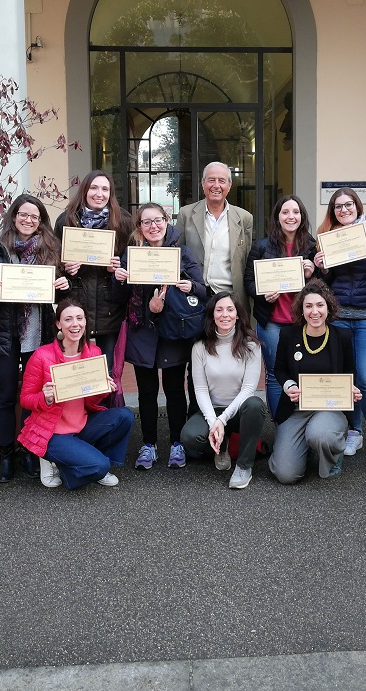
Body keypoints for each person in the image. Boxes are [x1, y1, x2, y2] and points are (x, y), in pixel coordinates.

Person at [0, 192, 70, 483]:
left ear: (41, 221)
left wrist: (63, 285)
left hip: (36, 334)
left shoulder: (49, 250)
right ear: (13, 216)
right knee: (6, 397)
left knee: (34, 398)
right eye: (23, 215)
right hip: (5, 335)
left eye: (35, 216)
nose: (29, 220)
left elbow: (57, 295)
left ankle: (30, 450)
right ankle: (6, 455)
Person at [114, 202, 208, 470]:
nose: (153, 226)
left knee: (175, 389)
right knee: (146, 391)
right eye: (147, 222)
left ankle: (177, 442)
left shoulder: (181, 251)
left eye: (158, 220)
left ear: (167, 220)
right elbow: (118, 297)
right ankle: (149, 444)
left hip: (173, 331)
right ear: (139, 227)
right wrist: (120, 278)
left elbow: (202, 290)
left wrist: (190, 286)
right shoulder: (131, 254)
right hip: (142, 329)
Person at [315, 187, 366, 463]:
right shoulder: (329, 238)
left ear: (358, 205)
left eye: (348, 204)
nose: (344, 210)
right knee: (346, 379)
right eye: (338, 207)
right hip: (339, 318)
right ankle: (354, 432)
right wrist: (322, 269)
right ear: (332, 211)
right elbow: (326, 285)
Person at [18, 298, 134, 489]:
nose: (75, 324)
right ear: (58, 324)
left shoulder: (94, 352)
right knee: (100, 466)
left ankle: (90, 463)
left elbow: (92, 399)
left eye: (79, 318)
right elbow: (25, 399)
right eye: (68, 319)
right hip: (53, 432)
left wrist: (103, 389)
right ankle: (58, 462)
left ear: (85, 321)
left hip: (81, 425)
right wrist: (44, 398)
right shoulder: (41, 355)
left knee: (124, 416)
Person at [269, 280, 362, 484]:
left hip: (329, 407)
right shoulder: (288, 334)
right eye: (308, 306)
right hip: (296, 408)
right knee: (286, 475)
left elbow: (349, 371)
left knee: (320, 435)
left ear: (328, 308)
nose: (315, 312)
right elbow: (280, 369)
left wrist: (351, 388)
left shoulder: (342, 336)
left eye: (320, 305)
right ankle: (306, 448)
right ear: (301, 310)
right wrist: (289, 386)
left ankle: (331, 456)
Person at [179, 293, 267, 489]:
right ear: (212, 315)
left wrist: (222, 420)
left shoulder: (251, 345)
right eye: (219, 310)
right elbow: (200, 390)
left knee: (255, 405)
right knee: (189, 437)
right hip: (213, 409)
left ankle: (244, 466)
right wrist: (213, 421)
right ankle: (222, 444)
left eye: (230, 309)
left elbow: (248, 389)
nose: (224, 314)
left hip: (238, 412)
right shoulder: (200, 347)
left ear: (237, 315)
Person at [54, 170, 134, 374]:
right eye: (94, 188)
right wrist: (67, 269)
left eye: (105, 189)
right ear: (84, 190)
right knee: (75, 368)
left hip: (110, 306)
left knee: (106, 370)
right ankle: (77, 408)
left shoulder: (123, 221)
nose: (99, 194)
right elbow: (55, 261)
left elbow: (131, 262)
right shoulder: (66, 220)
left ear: (111, 193)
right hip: (77, 304)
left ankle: (105, 407)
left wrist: (116, 269)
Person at [244, 195, 317, 416]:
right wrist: (262, 293)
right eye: (285, 212)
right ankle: (280, 426)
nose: (290, 217)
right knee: (276, 375)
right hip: (272, 322)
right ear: (277, 216)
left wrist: (311, 274)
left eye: (295, 212)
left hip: (303, 323)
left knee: (304, 372)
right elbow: (248, 282)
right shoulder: (261, 246)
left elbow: (323, 288)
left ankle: (303, 423)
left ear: (302, 216)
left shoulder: (312, 247)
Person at [175, 162, 254, 318]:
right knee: (198, 342)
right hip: (196, 296)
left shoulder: (245, 218)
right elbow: (177, 255)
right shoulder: (186, 214)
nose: (216, 185)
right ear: (203, 184)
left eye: (222, 180)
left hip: (230, 298)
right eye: (211, 180)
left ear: (229, 185)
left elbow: (246, 260)